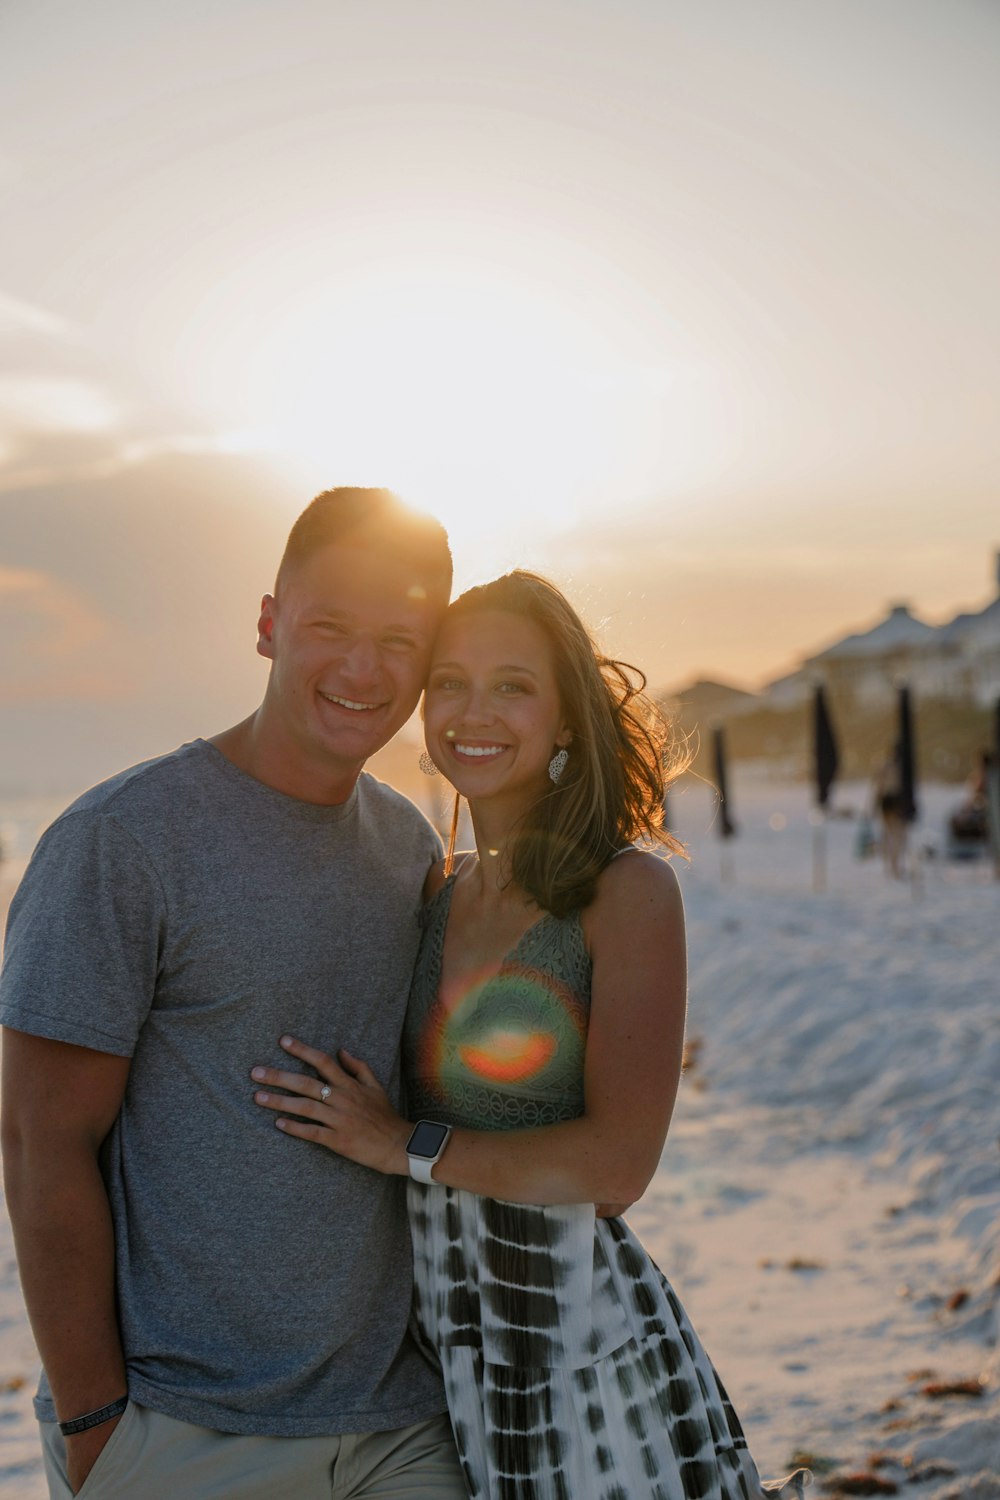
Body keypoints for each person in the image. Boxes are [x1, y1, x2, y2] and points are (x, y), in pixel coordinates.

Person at [250, 570, 807, 1500]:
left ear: (564, 720)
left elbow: (619, 1165)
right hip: (442, 1358)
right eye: (452, 684)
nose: (476, 712)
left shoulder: (627, 892)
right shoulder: (433, 888)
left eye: (513, 685)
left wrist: (402, 1145)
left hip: (578, 1353)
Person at [0, 489, 468, 1500]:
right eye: (330, 627)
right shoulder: (122, 841)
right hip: (186, 1432)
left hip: (400, 1427)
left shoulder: (408, 849)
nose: (362, 668)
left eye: (399, 639)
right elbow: (40, 1143)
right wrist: (98, 1430)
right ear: (267, 625)